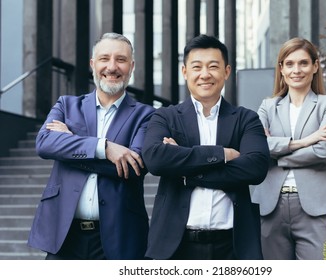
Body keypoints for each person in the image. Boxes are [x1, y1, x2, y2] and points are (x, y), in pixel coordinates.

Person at [28, 32, 155, 260]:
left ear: (132, 66)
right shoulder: (67, 105)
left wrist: (70, 147)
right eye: (104, 59)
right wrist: (104, 147)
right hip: (64, 236)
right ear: (93, 64)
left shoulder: (147, 115)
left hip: (120, 237)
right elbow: (45, 143)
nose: (112, 67)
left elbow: (134, 166)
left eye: (121, 60)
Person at [142, 34, 270, 260]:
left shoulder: (246, 119)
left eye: (213, 66)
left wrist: (186, 171)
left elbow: (256, 168)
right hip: (176, 245)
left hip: (233, 246)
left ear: (227, 72)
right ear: (185, 72)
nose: (205, 74)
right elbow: (156, 159)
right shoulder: (166, 117)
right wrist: (221, 154)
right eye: (197, 67)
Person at [251, 37, 326, 260]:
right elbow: (257, 147)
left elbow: (325, 151)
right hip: (270, 206)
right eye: (290, 63)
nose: (297, 70)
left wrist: (278, 155)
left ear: (315, 66)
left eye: (303, 63)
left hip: (315, 206)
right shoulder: (268, 106)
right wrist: (305, 141)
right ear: (281, 69)